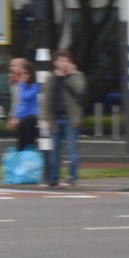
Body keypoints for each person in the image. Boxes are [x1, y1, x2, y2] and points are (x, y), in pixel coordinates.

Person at [39, 48, 86, 187]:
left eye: (67, 60)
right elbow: (46, 99)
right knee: (55, 150)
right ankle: (54, 177)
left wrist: (68, 76)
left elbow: (80, 90)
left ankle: (72, 176)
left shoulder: (77, 75)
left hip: (71, 119)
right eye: (61, 60)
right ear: (55, 63)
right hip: (55, 119)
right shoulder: (50, 78)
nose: (64, 63)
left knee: (72, 148)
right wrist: (43, 117)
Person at [8, 57, 40, 151]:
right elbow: (16, 101)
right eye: (11, 65)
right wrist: (14, 116)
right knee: (20, 144)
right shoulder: (16, 82)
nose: (11, 68)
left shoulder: (34, 85)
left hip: (30, 119)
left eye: (14, 65)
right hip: (22, 118)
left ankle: (29, 162)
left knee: (28, 144)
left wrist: (21, 84)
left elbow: (23, 97)